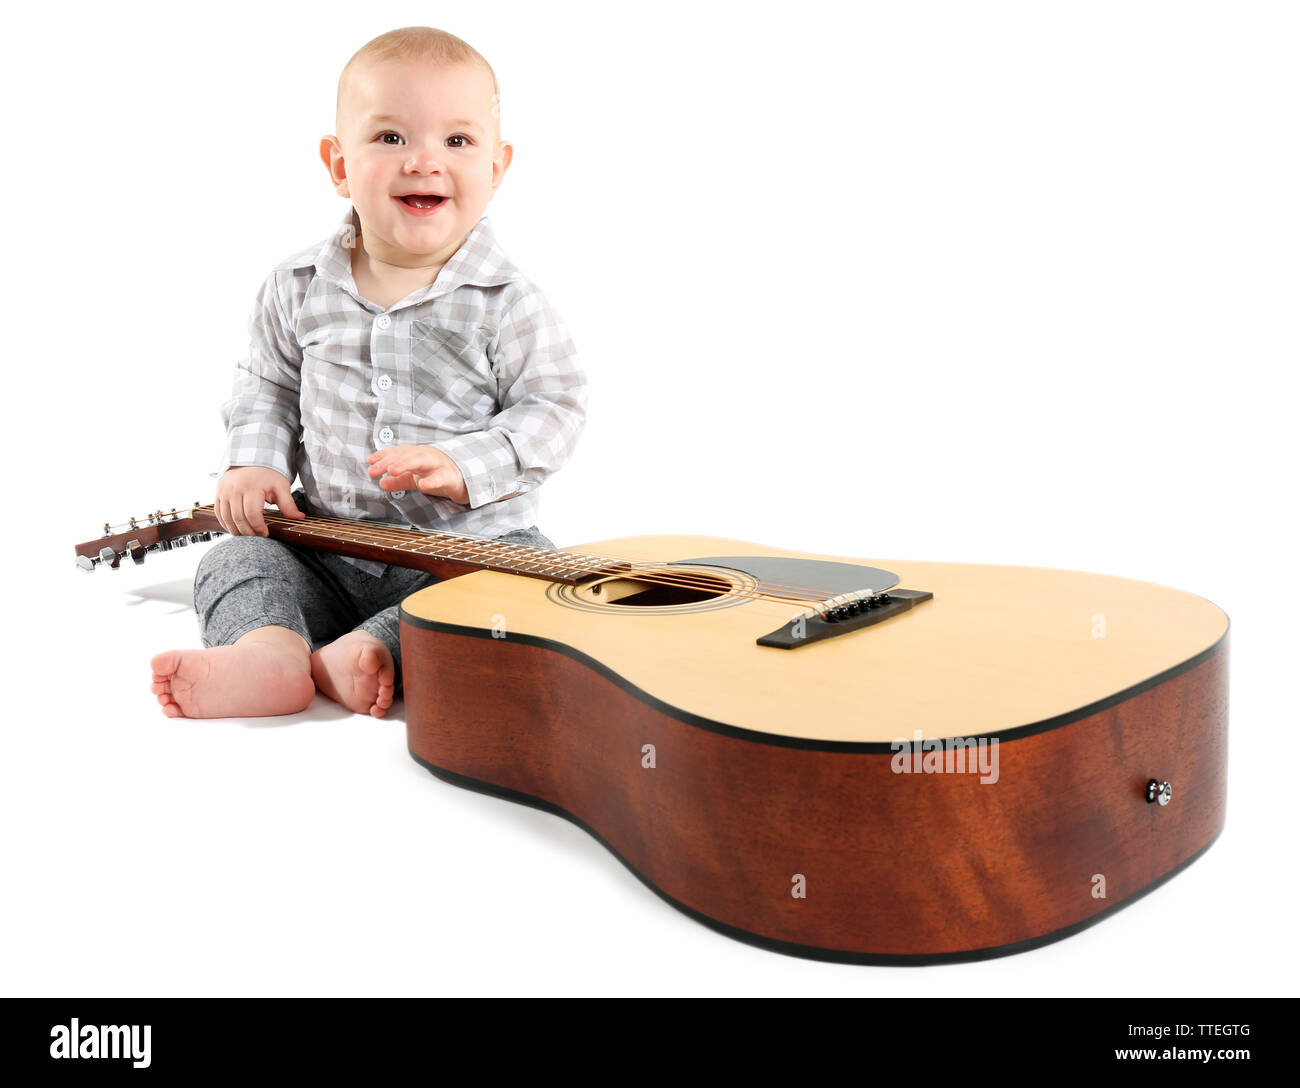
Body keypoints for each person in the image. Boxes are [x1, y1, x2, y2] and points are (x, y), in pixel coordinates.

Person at [150, 27, 586, 721]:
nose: (424, 162)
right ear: (338, 163)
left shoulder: (508, 301)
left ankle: (371, 650)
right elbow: (268, 384)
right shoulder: (297, 285)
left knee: (521, 594)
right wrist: (253, 464)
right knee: (235, 562)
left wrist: (462, 461)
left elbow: (554, 408)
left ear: (498, 167)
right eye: (390, 138)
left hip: (466, 549)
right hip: (326, 541)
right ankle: (269, 653)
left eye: (457, 141)